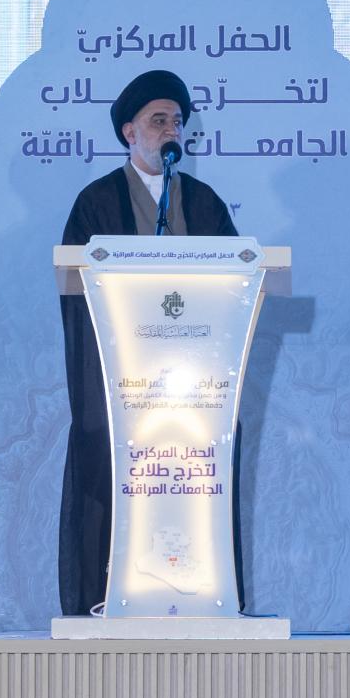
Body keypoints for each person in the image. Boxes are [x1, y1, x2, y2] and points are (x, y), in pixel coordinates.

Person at [56, 69, 239, 616]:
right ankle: (106, 601)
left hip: (193, 394)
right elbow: (76, 291)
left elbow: (236, 283)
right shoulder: (96, 202)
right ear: (129, 133)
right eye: (158, 121)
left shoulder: (203, 203)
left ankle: (201, 601)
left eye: (177, 122)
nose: (171, 131)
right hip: (127, 390)